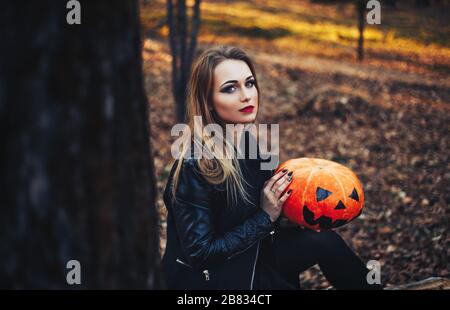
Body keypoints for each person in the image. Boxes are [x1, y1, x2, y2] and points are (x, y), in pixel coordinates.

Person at [161, 45, 381, 290]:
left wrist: (298, 211)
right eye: (230, 88)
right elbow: (201, 253)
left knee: (322, 240)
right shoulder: (196, 165)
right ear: (208, 101)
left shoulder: (250, 145)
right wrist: (265, 217)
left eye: (250, 83)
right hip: (210, 281)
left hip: (250, 257)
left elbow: (260, 214)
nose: (246, 95)